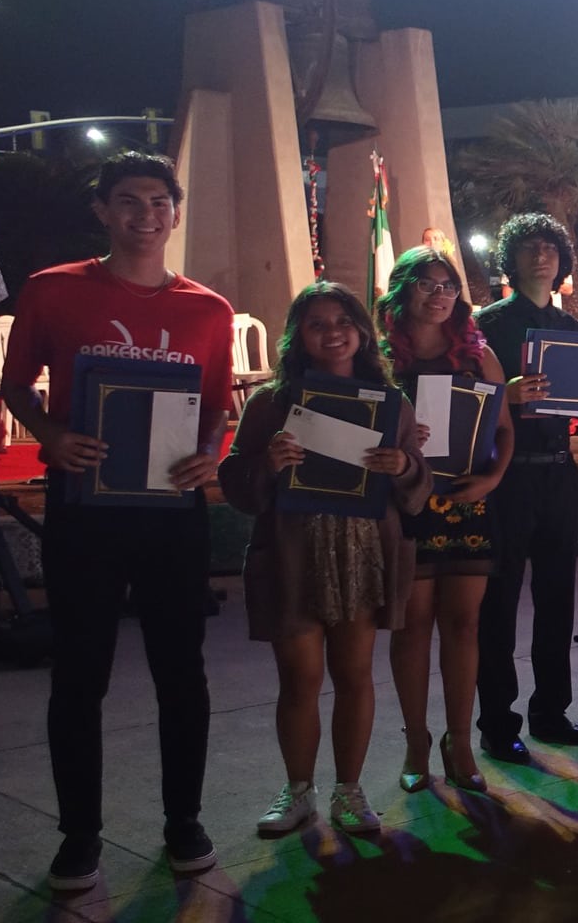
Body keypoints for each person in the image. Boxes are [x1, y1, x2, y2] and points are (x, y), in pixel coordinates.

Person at [0, 152, 235, 890]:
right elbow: (14, 386)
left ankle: (183, 821)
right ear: (102, 209)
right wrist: (50, 434)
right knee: (79, 674)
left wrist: (210, 459)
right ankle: (79, 836)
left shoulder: (209, 309)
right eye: (128, 201)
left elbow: (219, 408)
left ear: (175, 211)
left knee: (181, 673)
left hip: (172, 513)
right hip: (85, 509)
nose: (145, 215)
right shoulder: (53, 291)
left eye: (159, 202)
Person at [223, 281, 430, 835]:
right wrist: (268, 462)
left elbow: (418, 478)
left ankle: (349, 790)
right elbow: (236, 484)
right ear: (298, 336)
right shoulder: (271, 402)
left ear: (362, 331)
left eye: (343, 321)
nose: (333, 332)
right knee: (300, 676)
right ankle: (297, 791)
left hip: (362, 552)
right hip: (294, 553)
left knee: (355, 673)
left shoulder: (391, 403)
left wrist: (401, 467)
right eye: (317, 323)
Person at [473, 214, 578, 763]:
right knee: (499, 606)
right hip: (507, 476)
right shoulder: (486, 324)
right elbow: (465, 402)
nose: (541, 256)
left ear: (562, 261)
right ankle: (497, 723)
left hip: (560, 470)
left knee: (558, 602)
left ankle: (551, 713)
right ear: (512, 258)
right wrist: (503, 394)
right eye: (530, 247)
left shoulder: (571, 325)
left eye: (550, 248)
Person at [380, 248, 515, 794]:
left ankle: (458, 740)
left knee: (463, 626)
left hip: (467, 501)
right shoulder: (382, 357)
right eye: (426, 284)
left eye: (448, 286)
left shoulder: (476, 355)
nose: (438, 295)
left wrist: (493, 479)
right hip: (406, 503)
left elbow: (504, 428)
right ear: (402, 290)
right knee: (411, 628)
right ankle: (416, 740)